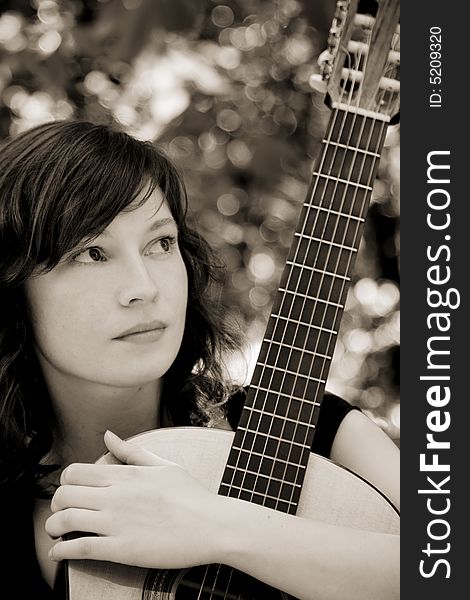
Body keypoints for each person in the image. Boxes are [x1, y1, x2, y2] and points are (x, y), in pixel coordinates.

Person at [0, 120, 399, 599]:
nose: (144, 288)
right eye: (92, 253)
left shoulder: (311, 423)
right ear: (15, 290)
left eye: (161, 243)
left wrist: (219, 526)